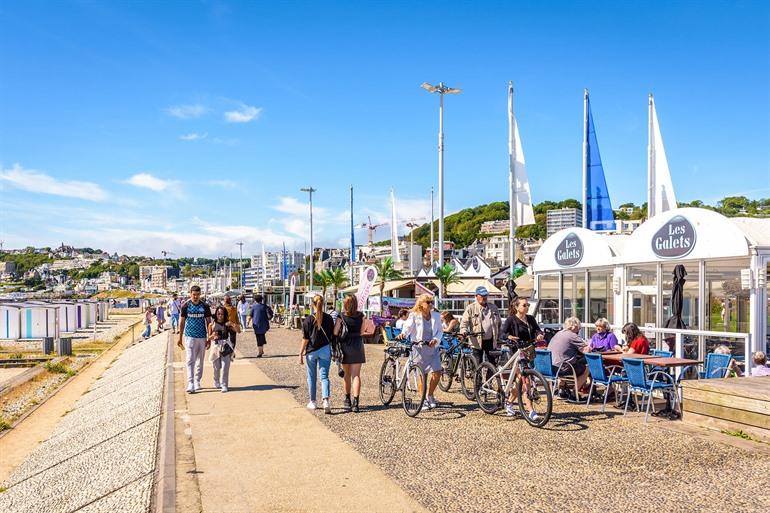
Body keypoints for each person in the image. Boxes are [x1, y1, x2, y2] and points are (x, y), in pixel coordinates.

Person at [397, 294, 443, 410]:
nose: (431, 304)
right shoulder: (414, 315)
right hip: (419, 347)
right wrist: (403, 334)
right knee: (422, 375)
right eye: (428, 302)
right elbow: (407, 327)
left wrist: (436, 339)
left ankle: (430, 394)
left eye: (431, 302)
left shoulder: (436, 316)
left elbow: (440, 331)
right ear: (421, 304)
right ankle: (423, 400)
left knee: (437, 372)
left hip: (432, 347)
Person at [301, 294, 334, 414]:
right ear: (323, 304)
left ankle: (313, 402)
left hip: (311, 351)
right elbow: (332, 335)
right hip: (325, 349)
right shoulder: (329, 318)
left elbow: (305, 339)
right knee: (324, 377)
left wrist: (300, 353)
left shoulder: (308, 320)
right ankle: (326, 401)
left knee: (312, 377)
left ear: (312, 304)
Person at [177, 285, 212, 393]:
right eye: (194, 294)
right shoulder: (185, 306)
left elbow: (209, 322)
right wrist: (180, 337)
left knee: (200, 360)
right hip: (189, 336)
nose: (196, 296)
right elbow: (182, 322)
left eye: (197, 294)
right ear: (190, 294)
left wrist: (209, 338)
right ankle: (190, 382)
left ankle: (197, 381)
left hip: (202, 336)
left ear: (200, 294)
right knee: (190, 359)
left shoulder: (205, 306)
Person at [334, 295, 366, 412]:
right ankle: (356, 403)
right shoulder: (361, 316)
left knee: (347, 374)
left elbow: (335, 331)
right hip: (357, 345)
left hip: (345, 346)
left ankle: (347, 399)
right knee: (356, 375)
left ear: (345, 304)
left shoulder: (341, 316)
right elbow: (362, 332)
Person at [547, 317, 590, 400]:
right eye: (579, 328)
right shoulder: (572, 335)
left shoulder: (558, 333)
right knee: (587, 369)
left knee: (565, 361)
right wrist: (590, 345)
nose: (578, 331)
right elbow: (586, 350)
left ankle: (562, 390)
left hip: (551, 367)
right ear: (574, 326)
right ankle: (574, 394)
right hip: (562, 368)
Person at [459, 286, 502, 365]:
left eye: (485, 295)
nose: (484, 297)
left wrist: (500, 337)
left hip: (491, 341)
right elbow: (464, 323)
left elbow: (499, 324)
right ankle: (477, 377)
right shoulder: (471, 308)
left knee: (492, 363)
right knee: (477, 363)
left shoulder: (493, 307)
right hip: (477, 341)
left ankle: (490, 377)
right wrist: (463, 331)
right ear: (476, 296)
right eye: (482, 296)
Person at [207, 306, 240, 392]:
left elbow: (238, 331)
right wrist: (213, 336)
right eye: (218, 313)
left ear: (224, 314)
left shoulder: (227, 323)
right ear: (216, 314)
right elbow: (209, 337)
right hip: (216, 346)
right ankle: (216, 381)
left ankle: (224, 385)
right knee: (216, 367)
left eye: (222, 314)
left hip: (225, 345)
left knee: (225, 366)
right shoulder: (212, 324)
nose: (220, 315)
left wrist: (233, 324)